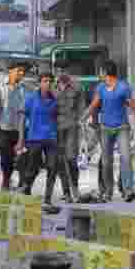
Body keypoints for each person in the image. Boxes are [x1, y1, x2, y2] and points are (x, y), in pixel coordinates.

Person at [82, 60, 135, 203]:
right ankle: (108, 192)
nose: (99, 74)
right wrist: (82, 118)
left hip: (121, 128)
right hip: (105, 129)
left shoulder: (123, 87)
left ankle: (128, 190)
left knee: (126, 158)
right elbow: (94, 105)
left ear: (106, 72)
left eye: (100, 72)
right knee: (106, 161)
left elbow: (134, 107)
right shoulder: (101, 88)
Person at [21, 74, 66, 204]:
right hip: (34, 138)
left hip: (51, 138)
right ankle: (26, 189)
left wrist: (61, 139)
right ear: (39, 83)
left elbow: (59, 119)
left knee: (52, 168)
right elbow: (23, 118)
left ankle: (47, 198)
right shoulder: (31, 98)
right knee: (32, 168)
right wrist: (20, 139)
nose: (48, 84)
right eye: (45, 81)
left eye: (50, 82)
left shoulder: (55, 100)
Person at [0, 62, 29, 191]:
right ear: (11, 71)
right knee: (6, 158)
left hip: (21, 129)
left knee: (23, 157)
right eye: (19, 70)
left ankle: (23, 184)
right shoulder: (1, 86)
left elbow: (26, 108)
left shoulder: (25, 88)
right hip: (4, 128)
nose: (21, 73)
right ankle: (6, 181)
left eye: (23, 71)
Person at [55, 72, 84, 201]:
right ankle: (66, 192)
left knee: (71, 159)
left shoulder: (77, 87)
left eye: (64, 69)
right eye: (58, 69)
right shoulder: (51, 87)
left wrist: (81, 122)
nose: (61, 72)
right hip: (56, 128)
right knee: (60, 161)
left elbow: (81, 108)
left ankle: (75, 188)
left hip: (72, 127)